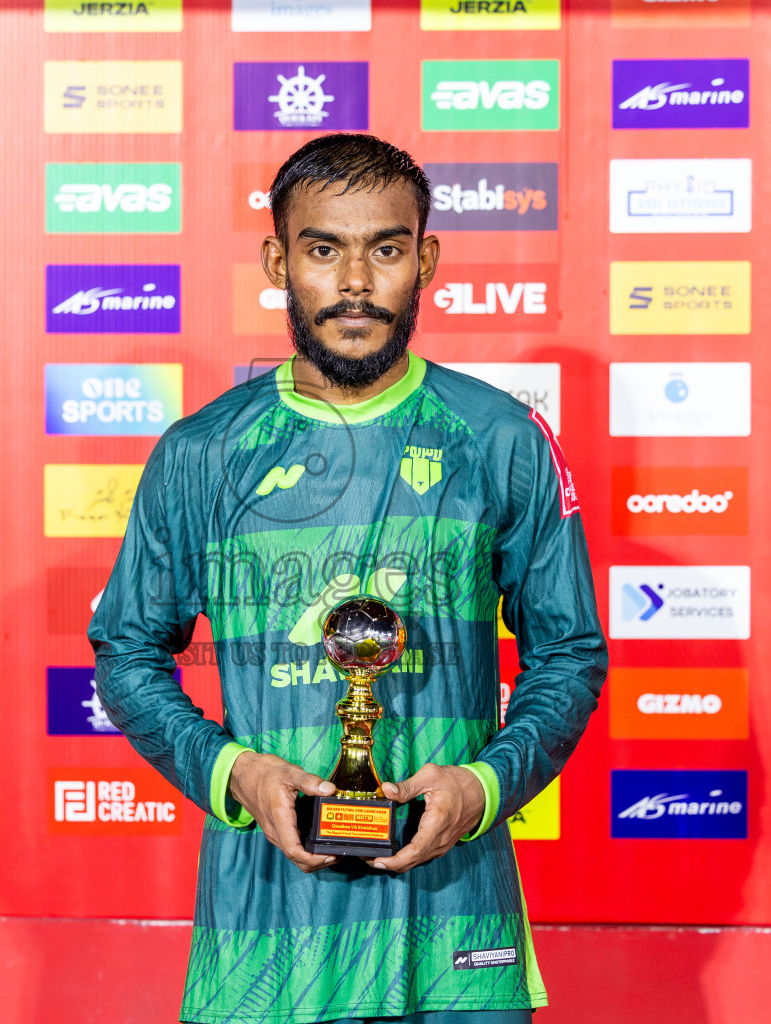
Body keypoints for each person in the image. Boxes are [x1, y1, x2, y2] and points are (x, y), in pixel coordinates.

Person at [88, 133, 607, 1024]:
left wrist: (482, 787)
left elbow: (569, 654)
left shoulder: (500, 438)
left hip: (455, 936)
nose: (356, 283)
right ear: (278, 260)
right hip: (266, 941)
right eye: (324, 249)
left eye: (387, 249)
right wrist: (236, 772)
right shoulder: (202, 453)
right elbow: (127, 654)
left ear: (427, 259)